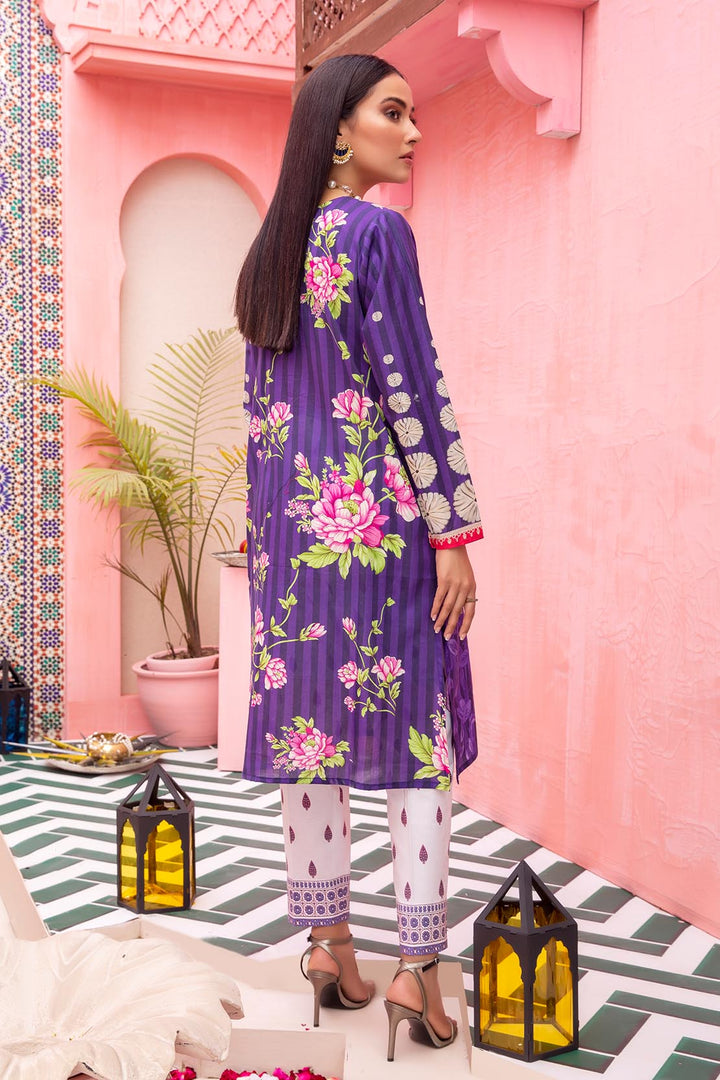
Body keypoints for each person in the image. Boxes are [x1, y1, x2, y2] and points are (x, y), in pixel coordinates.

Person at [233, 53, 483, 1061]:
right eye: (394, 112)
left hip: (293, 540)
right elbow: (413, 387)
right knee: (419, 741)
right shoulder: (377, 232)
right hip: (378, 535)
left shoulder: (271, 249)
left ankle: (328, 945)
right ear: (339, 129)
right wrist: (452, 532)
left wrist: (268, 539)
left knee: (314, 742)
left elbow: (261, 417)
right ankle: (418, 969)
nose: (413, 132)